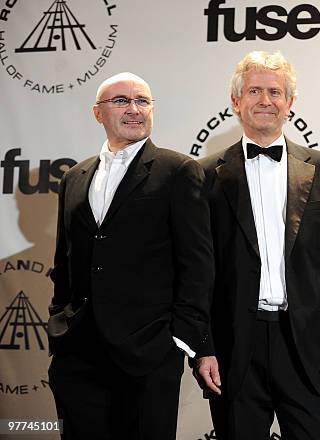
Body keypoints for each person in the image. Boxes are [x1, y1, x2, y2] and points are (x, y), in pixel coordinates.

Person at [196, 51, 320, 440]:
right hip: (236, 347)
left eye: (275, 91)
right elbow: (198, 271)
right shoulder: (205, 175)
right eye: (254, 91)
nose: (265, 100)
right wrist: (204, 347)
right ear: (236, 101)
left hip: (308, 346)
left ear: (290, 103)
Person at [47, 72, 213, 440]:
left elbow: (197, 263)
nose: (135, 109)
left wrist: (180, 341)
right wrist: (59, 324)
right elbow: (64, 261)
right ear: (97, 113)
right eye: (121, 101)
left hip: (148, 353)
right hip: (78, 351)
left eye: (143, 101)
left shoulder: (178, 171)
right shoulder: (75, 177)